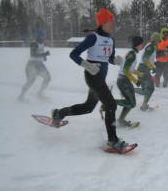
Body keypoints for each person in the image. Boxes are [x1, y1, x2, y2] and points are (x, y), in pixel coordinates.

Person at [51, 8, 130, 150]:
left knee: (88, 107)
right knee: (111, 105)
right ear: (103, 22)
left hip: (101, 77)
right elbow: (74, 54)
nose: (114, 23)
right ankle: (112, 140)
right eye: (111, 20)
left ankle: (59, 113)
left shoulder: (111, 39)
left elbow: (109, 58)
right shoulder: (93, 37)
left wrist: (115, 60)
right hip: (92, 76)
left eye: (114, 21)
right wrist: (87, 65)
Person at [115, 36, 145, 127]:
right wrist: (136, 81)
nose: (143, 45)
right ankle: (110, 102)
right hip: (123, 81)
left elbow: (130, 69)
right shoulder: (131, 55)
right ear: (137, 45)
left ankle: (121, 120)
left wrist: (141, 75)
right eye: (142, 43)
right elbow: (125, 70)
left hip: (125, 80)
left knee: (131, 103)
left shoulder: (132, 53)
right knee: (131, 103)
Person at [18, 29, 51, 101]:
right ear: (39, 36)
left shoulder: (42, 43)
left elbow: (40, 53)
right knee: (30, 82)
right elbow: (32, 54)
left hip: (39, 64)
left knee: (48, 78)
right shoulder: (34, 43)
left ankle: (40, 93)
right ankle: (21, 96)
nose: (44, 37)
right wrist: (44, 54)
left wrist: (44, 57)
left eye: (44, 35)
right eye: (43, 36)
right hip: (32, 65)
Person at [135, 32, 161, 112]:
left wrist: (153, 64)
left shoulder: (151, 46)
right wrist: (152, 67)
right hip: (143, 71)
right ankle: (129, 89)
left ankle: (144, 105)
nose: (160, 42)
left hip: (144, 70)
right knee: (149, 89)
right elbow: (146, 59)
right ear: (155, 40)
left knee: (147, 89)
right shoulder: (151, 47)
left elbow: (149, 58)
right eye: (159, 40)